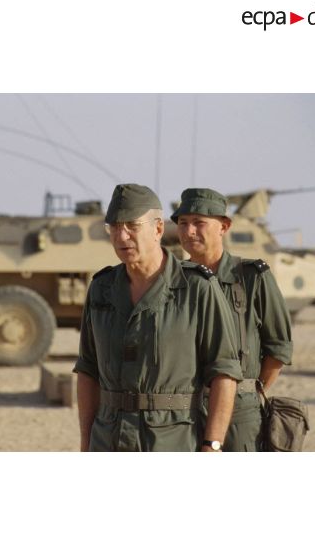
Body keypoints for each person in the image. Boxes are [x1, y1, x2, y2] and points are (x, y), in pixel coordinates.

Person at [74, 183, 243, 452]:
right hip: (109, 439)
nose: (122, 236)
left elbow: (224, 371)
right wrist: (86, 443)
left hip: (173, 440)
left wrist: (212, 444)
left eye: (132, 225)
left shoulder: (197, 288)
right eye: (114, 227)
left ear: (158, 229)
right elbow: (87, 371)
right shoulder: (101, 289)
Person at [172, 188, 293, 451]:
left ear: (224, 227)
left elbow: (278, 349)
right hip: (183, 411)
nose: (189, 231)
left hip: (240, 416)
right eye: (183, 223)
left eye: (199, 223)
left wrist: (248, 393)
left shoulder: (252, 277)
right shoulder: (173, 281)